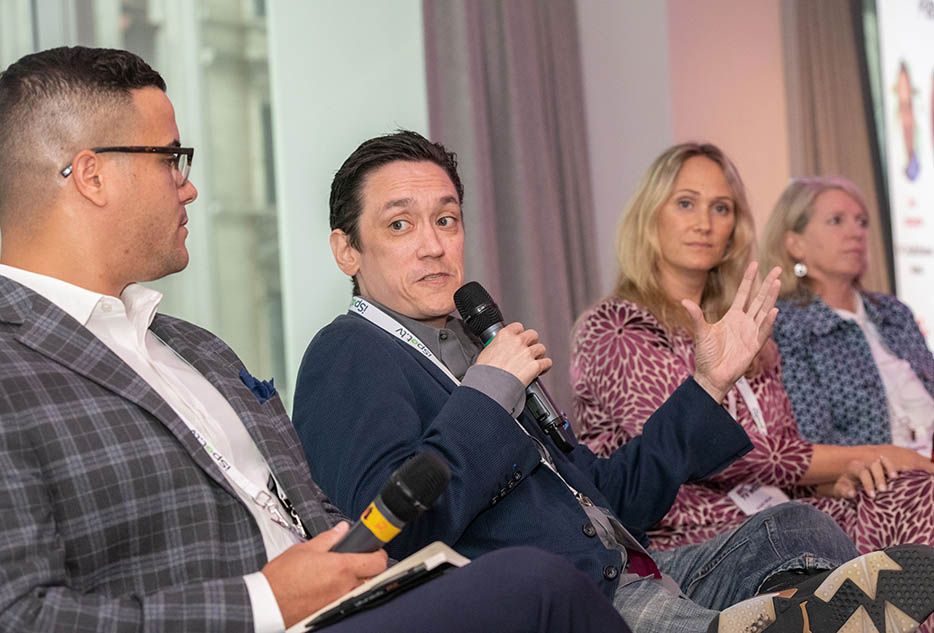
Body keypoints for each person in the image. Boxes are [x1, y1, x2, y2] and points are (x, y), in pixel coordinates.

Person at [0, 46, 637, 633]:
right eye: (171, 159)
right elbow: (14, 615)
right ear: (93, 176)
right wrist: (264, 600)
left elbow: (333, 516)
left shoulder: (198, 349)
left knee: (543, 575)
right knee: (536, 582)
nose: (190, 185)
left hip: (363, 597)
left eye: (446, 220)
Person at [293, 130, 934, 633]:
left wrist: (707, 384)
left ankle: (769, 621)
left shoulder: (473, 345)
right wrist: (488, 395)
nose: (434, 245)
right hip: (568, 598)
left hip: (637, 566)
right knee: (688, 620)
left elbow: (609, 496)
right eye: (400, 224)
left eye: (448, 219)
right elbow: (389, 538)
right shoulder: (348, 354)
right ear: (347, 251)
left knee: (796, 528)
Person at [571, 143, 934, 561]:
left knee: (912, 494)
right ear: (651, 217)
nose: (704, 223)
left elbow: (780, 445)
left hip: (784, 512)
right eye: (686, 204)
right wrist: (881, 454)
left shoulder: (745, 324)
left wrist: (831, 482)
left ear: (733, 231)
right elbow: (703, 451)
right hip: (692, 533)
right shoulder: (617, 326)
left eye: (721, 208)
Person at [761, 176, 934, 456]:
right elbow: (811, 441)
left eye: (862, 222)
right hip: (873, 485)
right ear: (795, 244)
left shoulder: (893, 313)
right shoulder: (785, 326)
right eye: (836, 221)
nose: (856, 233)